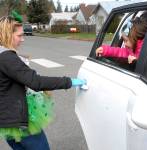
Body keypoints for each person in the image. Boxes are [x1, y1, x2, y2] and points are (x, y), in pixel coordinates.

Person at [0, 11, 86, 150]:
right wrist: (69, 81)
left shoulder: (3, 55)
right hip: (16, 120)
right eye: (19, 35)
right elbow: (36, 82)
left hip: (7, 119)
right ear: (7, 34)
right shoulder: (7, 57)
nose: (23, 39)